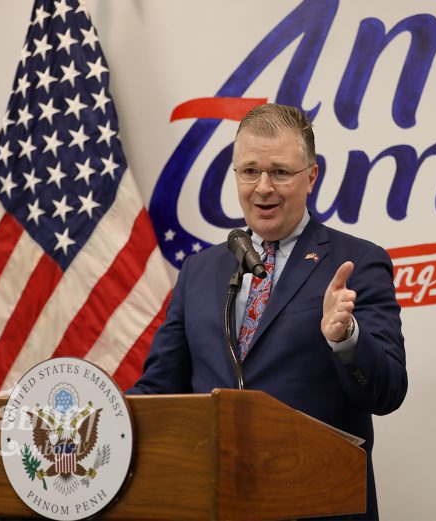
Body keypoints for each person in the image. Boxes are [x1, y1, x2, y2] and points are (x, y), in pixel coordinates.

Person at [129, 103, 407, 519]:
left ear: (311, 176)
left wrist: (345, 339)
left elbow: (387, 392)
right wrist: (86, 416)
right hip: (212, 502)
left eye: (280, 172)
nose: (263, 187)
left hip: (316, 504)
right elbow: (159, 390)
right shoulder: (199, 271)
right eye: (249, 171)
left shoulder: (358, 263)